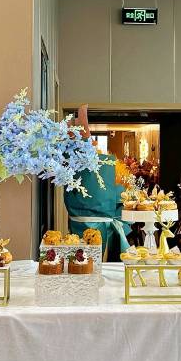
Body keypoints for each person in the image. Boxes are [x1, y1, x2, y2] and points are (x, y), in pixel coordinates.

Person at [63, 105, 130, 260]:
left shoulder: (83, 166)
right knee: (85, 261)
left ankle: (79, 126)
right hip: (94, 224)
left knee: (84, 261)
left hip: (89, 224)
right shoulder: (105, 173)